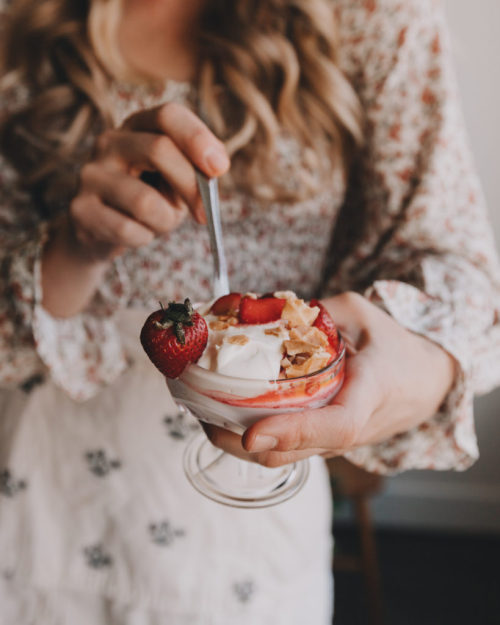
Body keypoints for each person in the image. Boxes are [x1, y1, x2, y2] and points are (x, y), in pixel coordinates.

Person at [0, 0, 499, 623]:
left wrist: (410, 367)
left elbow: (464, 284)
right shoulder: (20, 25)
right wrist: (78, 248)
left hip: (248, 510)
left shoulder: (375, 18)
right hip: (40, 494)